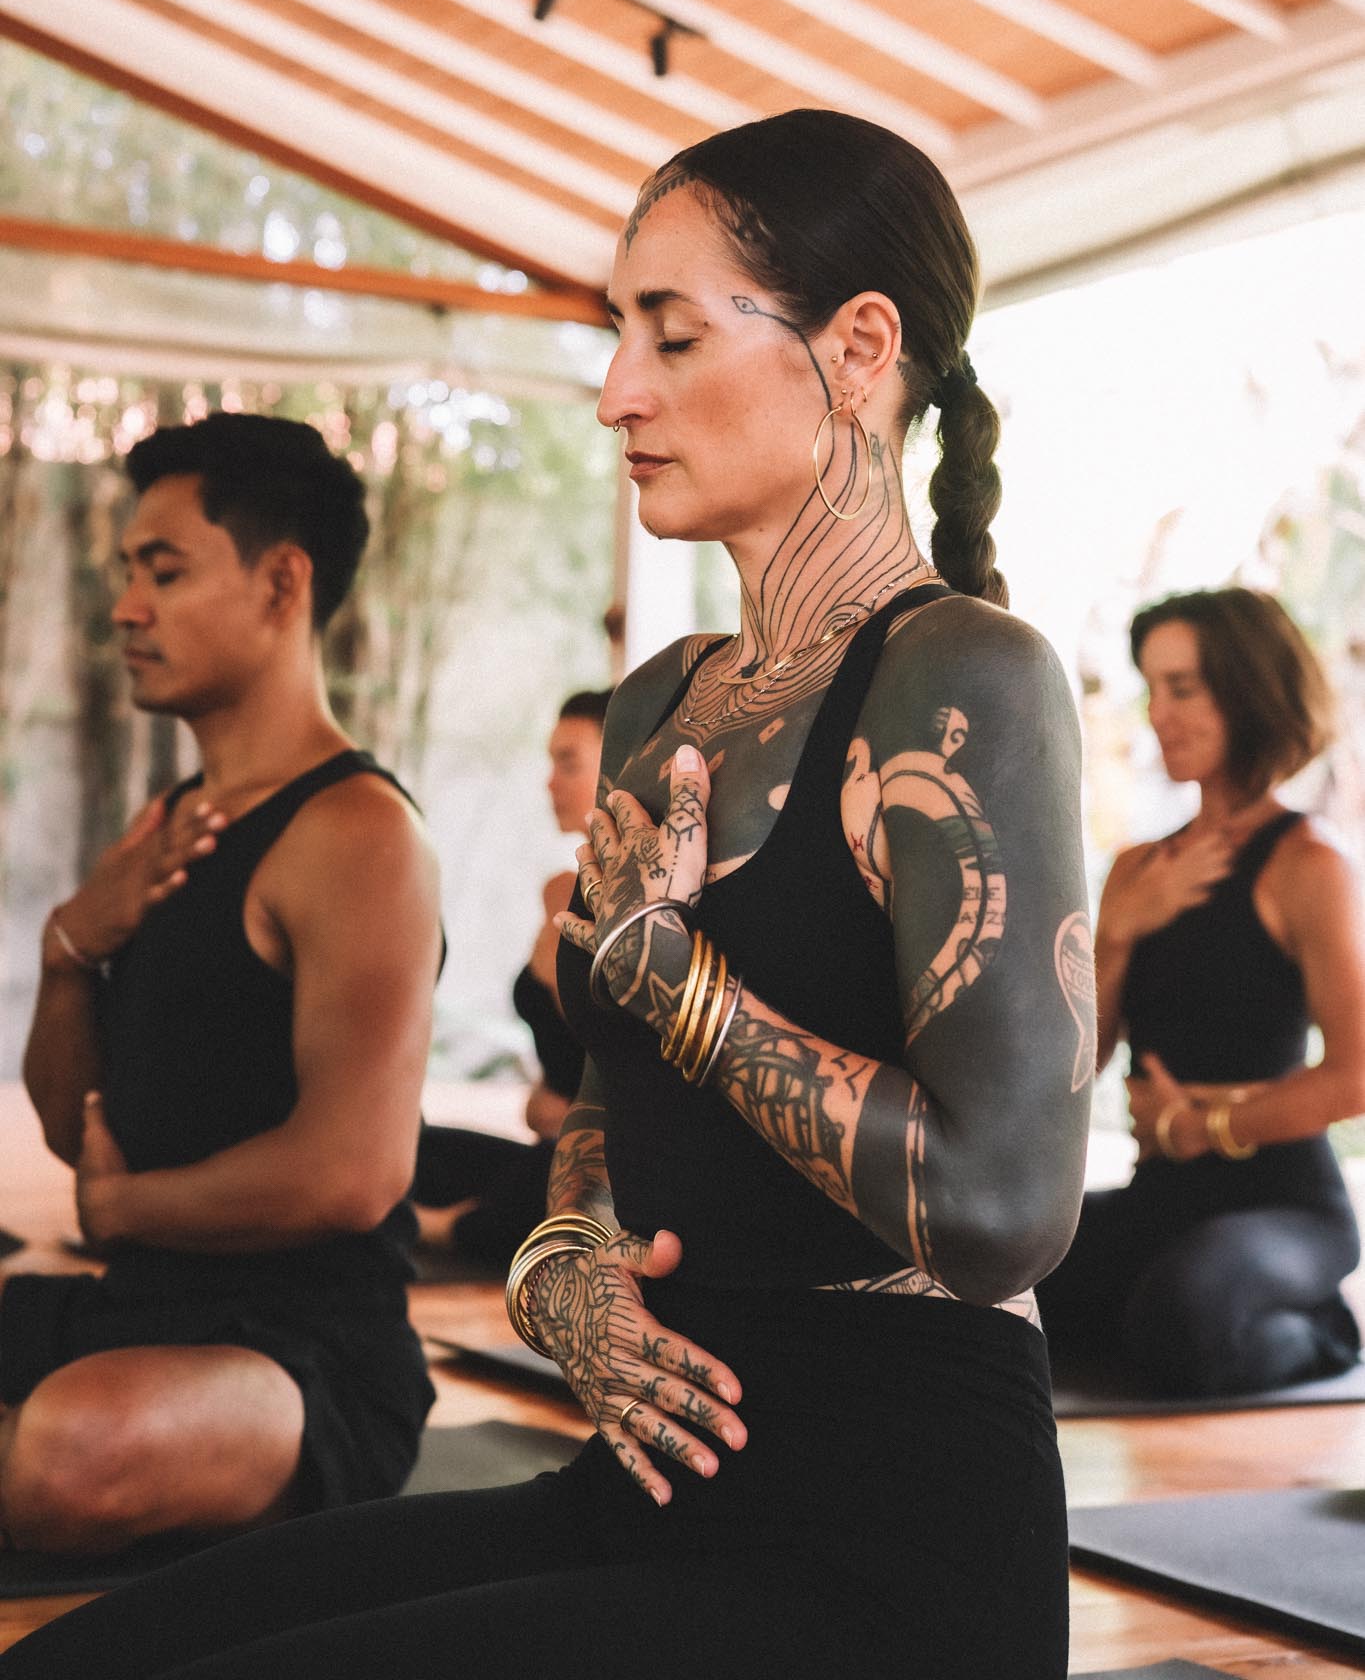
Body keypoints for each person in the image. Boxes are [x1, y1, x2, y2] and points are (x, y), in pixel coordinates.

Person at [2, 109, 1092, 1679]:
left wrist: (674, 977)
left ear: (858, 350)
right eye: (613, 336)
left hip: (887, 1536)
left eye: (669, 333)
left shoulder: (964, 679)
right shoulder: (661, 706)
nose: (615, 394)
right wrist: (563, 1270)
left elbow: (1003, 1209)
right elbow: (600, 1108)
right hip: (650, 1480)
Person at [0, 413, 442, 1554]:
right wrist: (67, 948)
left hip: (302, 1356)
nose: (126, 609)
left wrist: (126, 1208)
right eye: (124, 574)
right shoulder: (169, 825)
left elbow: (352, 1172)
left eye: (164, 570)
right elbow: (73, 1125)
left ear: (281, 581)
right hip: (137, 1307)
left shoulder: (360, 832)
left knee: (74, 1445)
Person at [1038, 587, 1365, 1397]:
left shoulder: (1306, 864)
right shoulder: (1134, 870)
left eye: (1183, 688)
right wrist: (1117, 931)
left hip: (1284, 1205)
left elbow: (1355, 1073)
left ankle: (1324, 1330)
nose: (1159, 714)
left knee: (1181, 1316)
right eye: (1152, 688)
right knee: (1006, 1294)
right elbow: (1079, 1062)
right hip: (1163, 1198)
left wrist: (1202, 1124)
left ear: (1248, 689)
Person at [412, 690, 607, 1266]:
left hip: (601, 1161)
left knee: (554, 1184)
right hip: (546, 1149)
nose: (549, 782)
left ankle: (436, 1229)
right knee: (416, 1152)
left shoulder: (646, 909)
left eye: (567, 762)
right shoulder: (557, 891)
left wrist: (560, 1111)